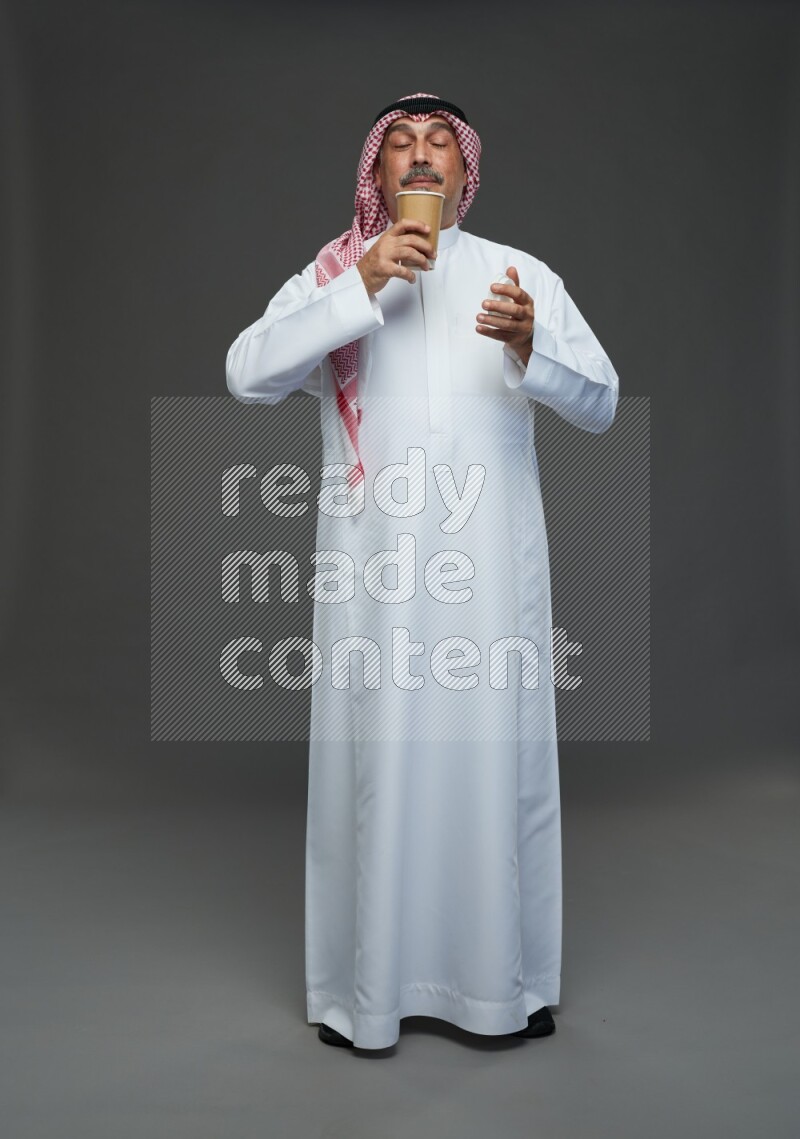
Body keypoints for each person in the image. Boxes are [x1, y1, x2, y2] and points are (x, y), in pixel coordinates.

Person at [226, 93, 619, 1051]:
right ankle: (368, 993)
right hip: (376, 573)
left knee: (496, 764)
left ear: (463, 169)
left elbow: (602, 401)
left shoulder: (517, 273)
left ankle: (503, 987)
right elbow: (247, 372)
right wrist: (359, 285)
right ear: (378, 171)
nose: (420, 155)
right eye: (400, 142)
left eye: (438, 140)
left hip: (490, 573)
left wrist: (534, 346)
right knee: (379, 761)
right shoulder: (337, 270)